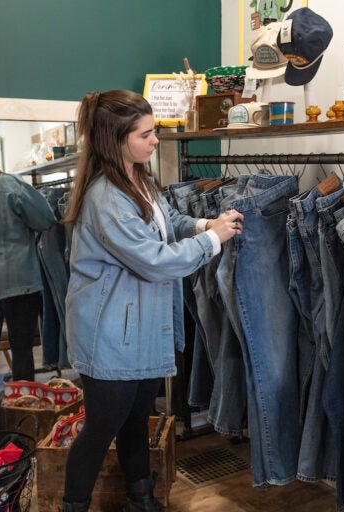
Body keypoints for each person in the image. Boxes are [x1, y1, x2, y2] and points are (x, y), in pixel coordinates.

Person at [59, 90, 243, 512]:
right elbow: (155, 260)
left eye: (154, 130)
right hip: (109, 336)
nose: (155, 140)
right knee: (101, 429)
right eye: (146, 134)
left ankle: (141, 501)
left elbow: (167, 222)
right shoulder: (107, 198)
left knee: (135, 422)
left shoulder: (138, 180)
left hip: (136, 330)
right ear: (117, 139)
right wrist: (213, 240)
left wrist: (203, 223)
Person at [0, 138, 57, 383]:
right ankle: (23, 405)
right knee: (22, 348)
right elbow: (45, 219)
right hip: (21, 280)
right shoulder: (10, 184)